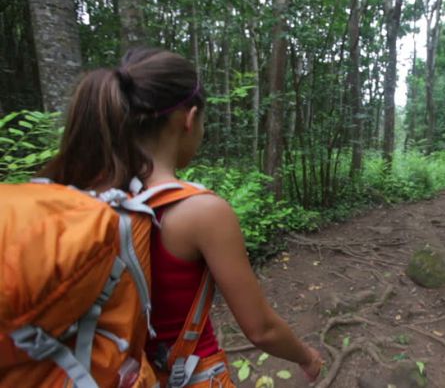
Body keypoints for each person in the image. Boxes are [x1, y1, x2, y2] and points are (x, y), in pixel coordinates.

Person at [39, 47, 323, 386]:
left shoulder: (81, 198)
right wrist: (307, 357)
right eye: (202, 121)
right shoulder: (201, 212)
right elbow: (261, 329)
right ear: (187, 119)